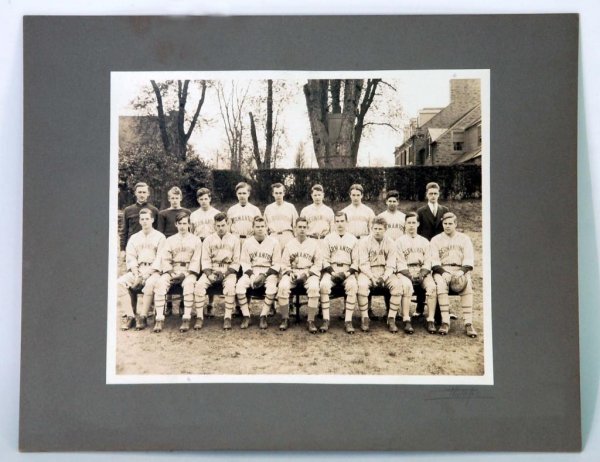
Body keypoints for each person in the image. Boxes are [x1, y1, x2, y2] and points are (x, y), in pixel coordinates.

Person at [356, 217, 411, 334]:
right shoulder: (364, 242)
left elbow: (391, 264)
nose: (377, 231)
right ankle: (365, 317)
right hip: (368, 271)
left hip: (385, 271)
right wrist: (371, 277)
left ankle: (391, 318)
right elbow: (363, 263)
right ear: (371, 228)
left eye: (380, 229)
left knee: (397, 286)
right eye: (375, 228)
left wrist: (383, 277)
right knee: (361, 285)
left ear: (385, 229)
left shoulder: (391, 242)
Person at [152, 212, 202, 333]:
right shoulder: (170, 240)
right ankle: (159, 318)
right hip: (172, 270)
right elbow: (165, 259)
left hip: (188, 271)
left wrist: (185, 274)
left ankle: (186, 317)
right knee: (160, 283)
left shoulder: (196, 240)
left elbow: (196, 260)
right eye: (180, 223)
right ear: (176, 224)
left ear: (189, 224)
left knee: (189, 285)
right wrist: (170, 272)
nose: (182, 226)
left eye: (185, 223)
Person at [430, 212, 477, 338]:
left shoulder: (464, 238)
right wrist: (443, 272)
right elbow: (434, 260)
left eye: (450, 223)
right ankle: (445, 322)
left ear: (455, 224)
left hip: (460, 269)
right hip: (443, 269)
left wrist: (461, 271)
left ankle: (468, 323)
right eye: (445, 224)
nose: (447, 226)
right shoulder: (435, 239)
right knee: (440, 285)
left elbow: (469, 259)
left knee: (467, 285)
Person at [117, 208, 165, 330]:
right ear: (139, 221)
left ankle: (143, 316)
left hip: (153, 271)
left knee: (149, 284)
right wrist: (136, 273)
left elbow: (160, 258)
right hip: (137, 270)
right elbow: (131, 257)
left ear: (152, 220)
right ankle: (130, 316)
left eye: (147, 219)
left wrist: (145, 275)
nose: (145, 221)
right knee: (119, 283)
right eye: (142, 219)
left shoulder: (160, 237)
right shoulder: (134, 237)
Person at [193, 213, 241, 330]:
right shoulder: (208, 239)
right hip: (212, 269)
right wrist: (209, 275)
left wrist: (225, 274)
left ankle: (227, 317)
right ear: (214, 226)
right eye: (218, 225)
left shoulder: (235, 239)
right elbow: (205, 260)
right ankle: (199, 317)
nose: (221, 228)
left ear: (228, 224)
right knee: (199, 286)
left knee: (230, 287)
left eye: (223, 225)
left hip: (228, 270)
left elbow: (236, 262)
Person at [235, 217, 281, 330]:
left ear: (266, 227)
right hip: (252, 270)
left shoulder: (274, 242)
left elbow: (277, 264)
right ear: (253, 228)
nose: (260, 229)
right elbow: (244, 262)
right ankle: (246, 315)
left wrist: (264, 275)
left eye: (262, 226)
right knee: (239, 287)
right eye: (257, 226)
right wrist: (252, 276)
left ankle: (263, 315)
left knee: (271, 288)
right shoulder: (247, 242)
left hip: (268, 272)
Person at [277, 218, 322, 332]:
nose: (302, 229)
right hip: (293, 272)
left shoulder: (314, 244)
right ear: (295, 228)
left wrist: (307, 274)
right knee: (282, 286)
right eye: (299, 227)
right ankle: (285, 318)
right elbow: (284, 264)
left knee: (314, 288)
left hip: (309, 272)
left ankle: (310, 320)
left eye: (304, 227)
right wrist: (289, 272)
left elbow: (318, 264)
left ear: (307, 229)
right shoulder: (289, 244)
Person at [396, 212, 438, 334]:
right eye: (408, 222)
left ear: (418, 224)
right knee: (407, 286)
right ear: (404, 224)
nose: (411, 225)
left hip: (422, 271)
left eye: (414, 222)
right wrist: (409, 275)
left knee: (432, 287)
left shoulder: (425, 241)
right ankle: (406, 319)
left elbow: (428, 261)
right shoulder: (399, 241)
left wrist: (422, 274)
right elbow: (399, 262)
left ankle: (430, 319)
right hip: (405, 271)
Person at [319, 212, 359, 334]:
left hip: (347, 271)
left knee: (352, 286)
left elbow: (356, 262)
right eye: (338, 221)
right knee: (323, 285)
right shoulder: (328, 238)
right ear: (334, 223)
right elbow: (324, 260)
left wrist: (346, 274)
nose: (340, 224)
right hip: (332, 270)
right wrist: (333, 273)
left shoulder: (353, 239)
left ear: (347, 222)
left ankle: (348, 320)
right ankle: (326, 319)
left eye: (342, 221)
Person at [189, 187, 221, 317]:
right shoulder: (194, 214)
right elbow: (191, 232)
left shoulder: (216, 213)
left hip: (211, 244)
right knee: (199, 272)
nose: (203, 201)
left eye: (206, 199)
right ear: (198, 200)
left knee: (210, 271)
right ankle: (199, 303)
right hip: (198, 243)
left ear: (210, 199)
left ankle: (211, 303)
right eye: (201, 199)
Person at [119, 182, 159, 260]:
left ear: (148, 194)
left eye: (144, 192)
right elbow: (124, 231)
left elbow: (157, 230)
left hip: (149, 247)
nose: (142, 195)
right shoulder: (128, 210)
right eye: (139, 192)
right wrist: (122, 249)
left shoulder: (154, 210)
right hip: (133, 246)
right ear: (135, 193)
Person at [264, 183, 298, 248]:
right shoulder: (268, 208)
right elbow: (265, 227)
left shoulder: (290, 207)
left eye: (280, 193)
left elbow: (295, 226)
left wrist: (296, 240)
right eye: (276, 193)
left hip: (287, 236)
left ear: (284, 193)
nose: (278, 195)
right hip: (273, 236)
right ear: (273, 194)